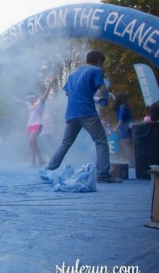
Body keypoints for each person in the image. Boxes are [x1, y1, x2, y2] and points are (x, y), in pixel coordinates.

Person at [45, 50, 122, 183]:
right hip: (87, 112)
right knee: (101, 141)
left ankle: (49, 168)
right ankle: (103, 174)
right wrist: (105, 98)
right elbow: (102, 89)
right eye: (102, 63)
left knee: (65, 143)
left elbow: (68, 93)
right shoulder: (96, 71)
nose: (102, 66)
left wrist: (94, 99)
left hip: (71, 113)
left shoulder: (73, 73)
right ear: (98, 61)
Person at [13, 80, 54, 167]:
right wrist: (11, 96)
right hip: (30, 125)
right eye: (28, 99)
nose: (29, 100)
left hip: (38, 124)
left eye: (30, 98)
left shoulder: (40, 101)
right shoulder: (28, 104)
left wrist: (50, 84)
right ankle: (36, 161)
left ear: (34, 97)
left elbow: (46, 93)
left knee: (30, 141)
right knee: (33, 143)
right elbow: (19, 101)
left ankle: (38, 160)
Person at [111, 91, 135, 167]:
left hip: (124, 129)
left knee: (125, 145)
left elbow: (121, 120)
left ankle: (132, 162)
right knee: (129, 145)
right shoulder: (125, 106)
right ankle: (133, 161)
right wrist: (112, 95)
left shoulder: (121, 107)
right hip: (128, 128)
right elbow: (116, 99)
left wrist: (116, 128)